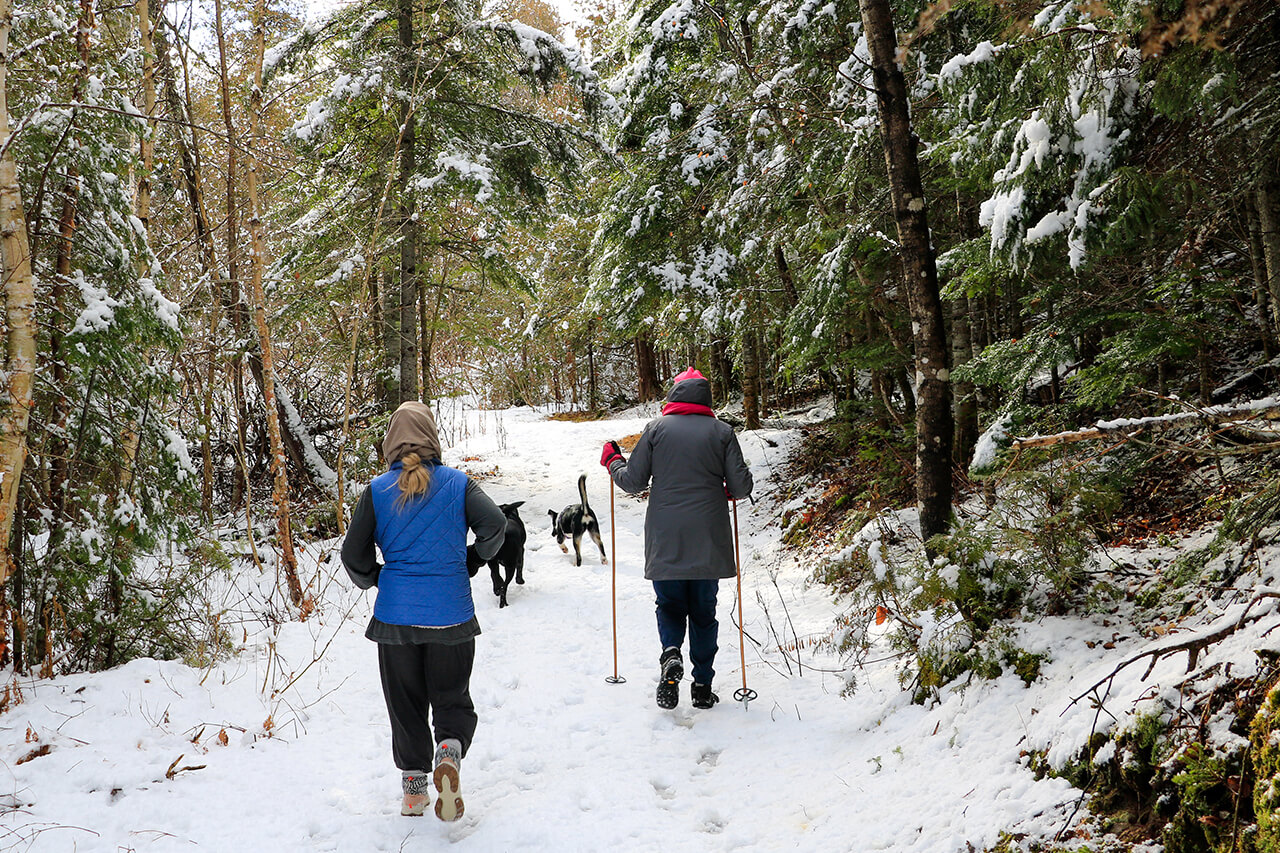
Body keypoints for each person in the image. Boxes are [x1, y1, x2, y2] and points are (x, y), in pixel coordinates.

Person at [342, 401, 506, 820]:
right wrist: (472, 560)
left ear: (391, 442)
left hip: (396, 618)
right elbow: (496, 526)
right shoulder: (458, 484)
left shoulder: (376, 491)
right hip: (451, 614)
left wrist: (377, 578)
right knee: (452, 696)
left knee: (405, 704)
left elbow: (352, 554)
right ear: (433, 438)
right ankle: (448, 753)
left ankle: (414, 792)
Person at [601, 368, 753, 709]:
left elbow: (633, 481)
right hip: (708, 536)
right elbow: (742, 487)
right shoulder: (722, 432)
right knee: (703, 611)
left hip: (665, 534)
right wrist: (725, 486)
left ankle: (671, 654)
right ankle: (701, 686)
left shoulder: (656, 430)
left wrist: (613, 461)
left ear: (674, 396)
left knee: (669, 604)